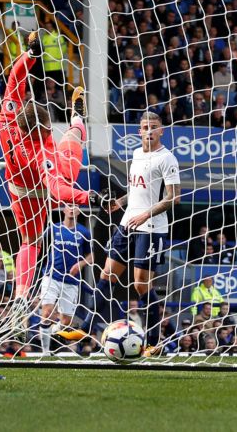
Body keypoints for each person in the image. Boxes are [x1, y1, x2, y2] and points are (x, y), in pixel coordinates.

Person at [60, 111, 180, 355]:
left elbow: (173, 197)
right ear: (139, 131)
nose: (149, 131)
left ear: (161, 131)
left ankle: (155, 341)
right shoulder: (136, 154)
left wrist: (145, 214)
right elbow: (136, 189)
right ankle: (84, 328)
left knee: (140, 285)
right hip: (127, 224)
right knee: (106, 275)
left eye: (153, 127)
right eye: (145, 127)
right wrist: (121, 202)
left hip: (151, 228)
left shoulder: (167, 159)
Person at [0, 32, 100, 304]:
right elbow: (58, 189)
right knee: (73, 142)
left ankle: (20, 295)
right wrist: (85, 197)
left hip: (18, 192)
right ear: (42, 128)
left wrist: (30, 56)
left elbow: (14, 81)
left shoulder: (8, 121)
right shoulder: (43, 151)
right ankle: (77, 118)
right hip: (45, 185)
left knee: (29, 242)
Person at [37, 204, 92, 353]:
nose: (72, 209)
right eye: (69, 206)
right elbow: (39, 245)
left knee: (65, 322)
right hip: (52, 276)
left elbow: (91, 256)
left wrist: (80, 264)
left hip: (71, 281)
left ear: (79, 211)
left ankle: (54, 330)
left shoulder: (84, 232)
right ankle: (45, 352)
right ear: (63, 210)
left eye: (75, 206)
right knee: (47, 313)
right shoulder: (53, 229)